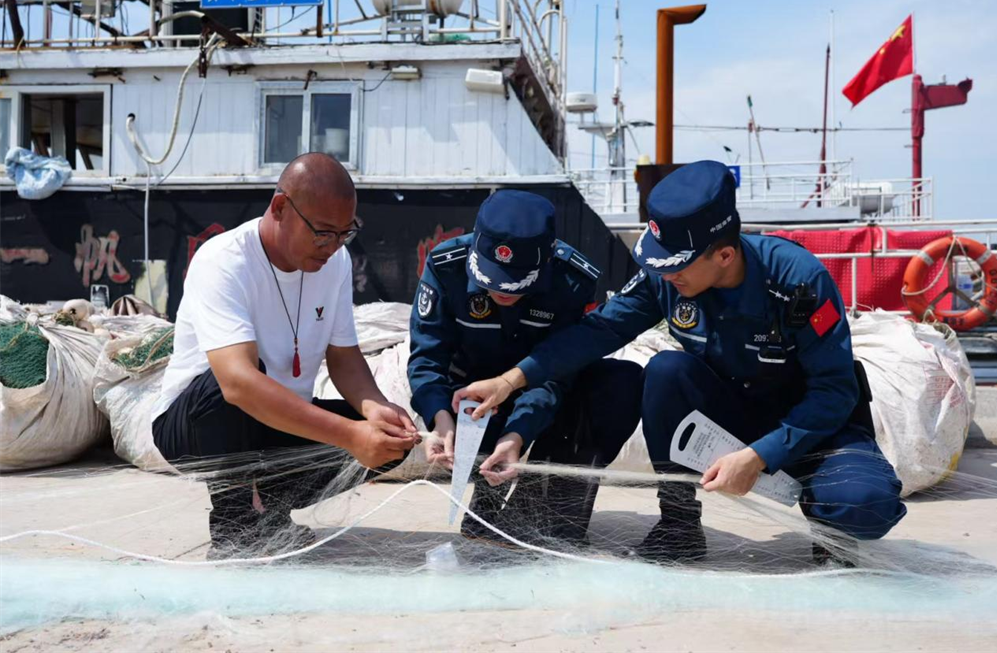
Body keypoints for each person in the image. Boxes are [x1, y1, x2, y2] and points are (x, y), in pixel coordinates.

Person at [454, 161, 906, 564]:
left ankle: (824, 517)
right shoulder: (668, 278)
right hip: (734, 414)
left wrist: (759, 457)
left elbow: (834, 392)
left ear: (724, 255)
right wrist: (511, 380)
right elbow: (599, 332)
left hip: (810, 426)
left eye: (677, 266)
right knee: (666, 372)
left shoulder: (798, 282)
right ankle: (679, 524)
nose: (666, 275)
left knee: (863, 506)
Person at [152, 153, 419, 559]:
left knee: (388, 442)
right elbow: (236, 383)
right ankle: (235, 523)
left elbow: (344, 358)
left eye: (345, 234)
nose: (332, 247)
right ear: (280, 208)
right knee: (239, 383)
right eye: (323, 233)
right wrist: (349, 436)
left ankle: (271, 516)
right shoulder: (223, 260)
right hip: (197, 425)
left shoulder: (336, 263)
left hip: (277, 420)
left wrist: (376, 409)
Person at [408, 189, 642, 546]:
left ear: (546, 260)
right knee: (468, 405)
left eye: (515, 283)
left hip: (541, 402)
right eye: (490, 278)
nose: (502, 292)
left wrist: (517, 434)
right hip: (469, 411)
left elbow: (557, 373)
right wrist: (439, 418)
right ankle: (487, 500)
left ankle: (546, 505)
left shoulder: (572, 280)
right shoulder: (446, 267)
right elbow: (427, 356)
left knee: (619, 383)